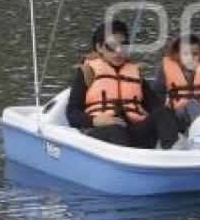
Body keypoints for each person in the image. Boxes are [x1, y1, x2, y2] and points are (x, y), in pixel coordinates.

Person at [66, 20, 178, 149]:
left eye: (123, 45)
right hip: (102, 132)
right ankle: (125, 159)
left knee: (164, 112)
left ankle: (173, 153)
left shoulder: (134, 74)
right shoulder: (87, 72)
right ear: (99, 48)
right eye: (112, 46)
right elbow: (72, 113)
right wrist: (94, 121)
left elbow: (156, 107)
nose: (118, 51)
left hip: (134, 132)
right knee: (116, 130)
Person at [153, 34, 200, 133]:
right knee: (168, 114)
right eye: (186, 54)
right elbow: (158, 93)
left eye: (195, 54)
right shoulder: (164, 69)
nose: (191, 58)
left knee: (191, 104)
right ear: (178, 54)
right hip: (176, 113)